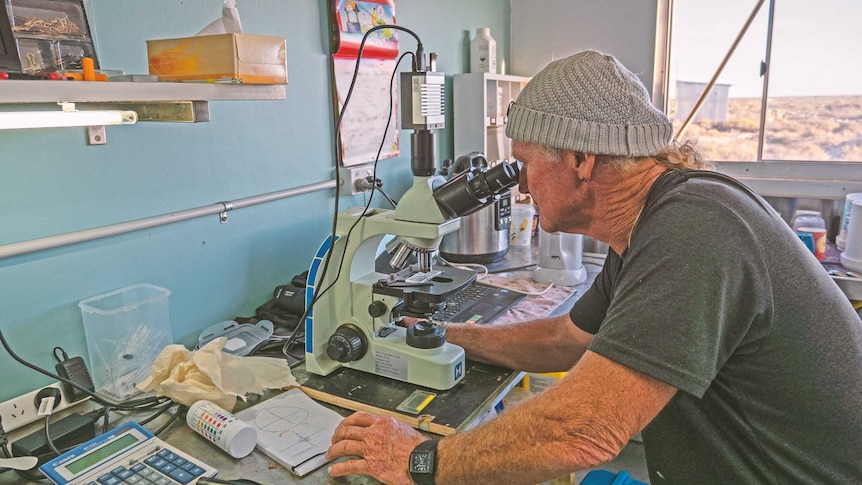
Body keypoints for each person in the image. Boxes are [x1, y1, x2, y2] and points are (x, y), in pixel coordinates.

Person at [326, 50, 862, 484]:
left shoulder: (695, 229)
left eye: (528, 163)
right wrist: (446, 335)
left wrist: (422, 461)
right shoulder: (651, 225)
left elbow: (582, 432)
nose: (522, 185)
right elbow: (567, 337)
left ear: (582, 160)